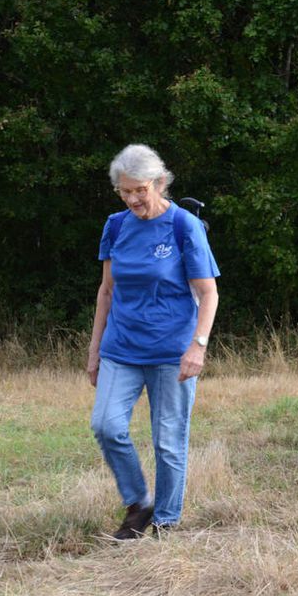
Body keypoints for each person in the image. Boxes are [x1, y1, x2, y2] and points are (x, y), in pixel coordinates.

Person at [87, 144, 220, 540]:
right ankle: (139, 502)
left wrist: (198, 345)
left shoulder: (183, 226)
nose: (132, 199)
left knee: (168, 441)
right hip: (121, 348)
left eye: (139, 190)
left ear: (159, 183)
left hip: (171, 351)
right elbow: (106, 291)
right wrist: (94, 350)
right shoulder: (116, 225)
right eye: (124, 192)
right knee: (106, 425)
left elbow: (208, 293)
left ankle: (165, 521)